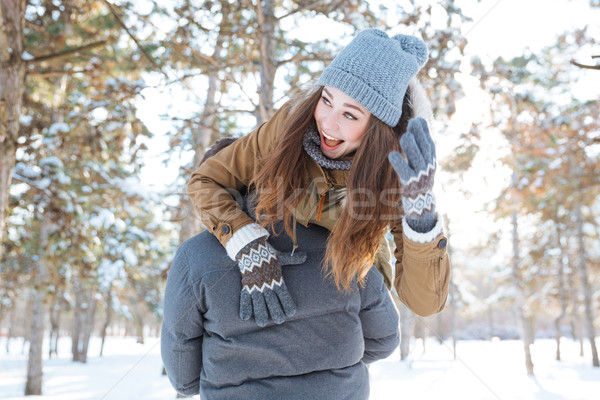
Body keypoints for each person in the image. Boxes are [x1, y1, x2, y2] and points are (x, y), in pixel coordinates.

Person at [187, 28, 451, 327]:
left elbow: (424, 303)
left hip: (345, 292)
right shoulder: (289, 126)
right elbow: (205, 181)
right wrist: (245, 241)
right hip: (275, 275)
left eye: (350, 115)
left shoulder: (397, 172)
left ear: (377, 130)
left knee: (382, 331)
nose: (327, 122)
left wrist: (422, 220)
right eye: (326, 100)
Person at [161, 214, 400, 399]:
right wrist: (331, 366)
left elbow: (183, 377)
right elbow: (385, 338)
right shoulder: (342, 241)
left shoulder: (194, 255)